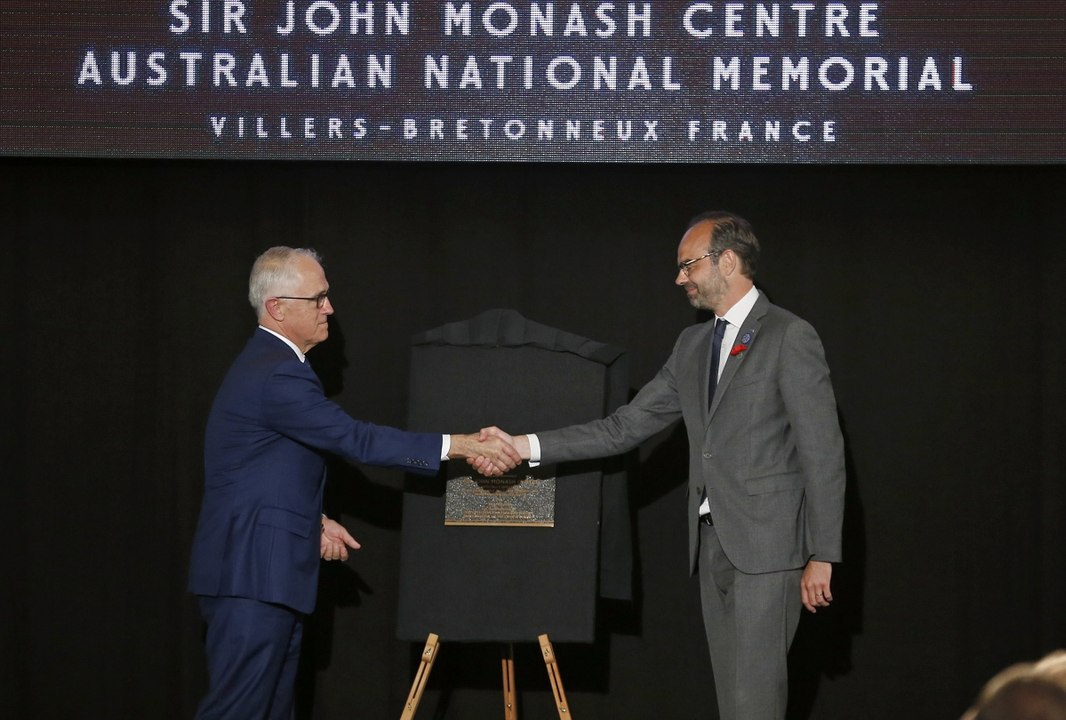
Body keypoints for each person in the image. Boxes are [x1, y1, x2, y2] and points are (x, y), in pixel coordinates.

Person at [475, 211, 846, 720]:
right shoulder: (692, 345)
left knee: (756, 701)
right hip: (712, 542)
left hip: (771, 547)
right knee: (734, 700)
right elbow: (622, 427)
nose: (679, 278)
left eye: (687, 265)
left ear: (728, 261)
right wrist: (523, 445)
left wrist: (822, 553)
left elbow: (823, 452)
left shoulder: (789, 335)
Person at [187, 246, 519, 720]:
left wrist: (312, 521)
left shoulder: (272, 367)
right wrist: (464, 445)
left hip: (262, 576)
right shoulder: (276, 372)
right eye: (318, 298)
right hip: (251, 579)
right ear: (278, 308)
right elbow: (355, 439)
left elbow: (255, 471)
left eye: (328, 295)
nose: (330, 308)